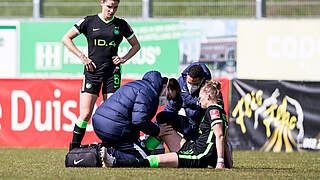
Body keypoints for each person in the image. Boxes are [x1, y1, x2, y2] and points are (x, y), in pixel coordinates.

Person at [61, 0, 141, 150]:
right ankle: (74, 148)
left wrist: (123, 58)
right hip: (92, 72)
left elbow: (136, 45)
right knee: (85, 114)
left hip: (112, 73)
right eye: (109, 6)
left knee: (113, 114)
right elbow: (66, 39)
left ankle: (110, 148)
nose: (112, 10)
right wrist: (82, 57)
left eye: (115, 7)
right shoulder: (89, 21)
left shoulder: (121, 24)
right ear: (101, 3)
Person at [100, 80, 233, 169]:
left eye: (201, 97)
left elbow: (220, 137)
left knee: (153, 160)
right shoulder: (219, 111)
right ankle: (142, 149)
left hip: (199, 155)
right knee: (163, 128)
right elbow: (224, 140)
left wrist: (220, 162)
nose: (199, 100)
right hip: (195, 149)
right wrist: (229, 164)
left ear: (209, 96)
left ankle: (116, 162)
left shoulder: (213, 110)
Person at [92, 71, 181, 160]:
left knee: (131, 149)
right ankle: (109, 155)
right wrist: (157, 131)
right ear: (165, 86)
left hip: (100, 122)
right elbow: (139, 120)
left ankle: (95, 151)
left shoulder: (140, 85)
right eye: (168, 96)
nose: (166, 100)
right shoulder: (149, 92)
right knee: (142, 158)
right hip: (114, 127)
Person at [142, 62, 223, 153]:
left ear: (202, 80)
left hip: (202, 129)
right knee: (163, 117)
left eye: (194, 84)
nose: (191, 86)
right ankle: (149, 146)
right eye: (189, 82)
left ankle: (221, 148)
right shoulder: (180, 83)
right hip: (188, 124)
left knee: (206, 154)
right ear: (187, 75)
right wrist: (155, 131)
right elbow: (171, 107)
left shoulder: (211, 90)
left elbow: (220, 117)